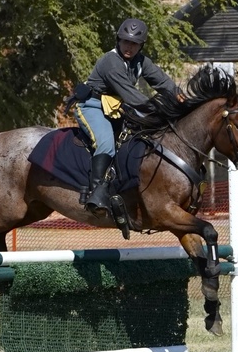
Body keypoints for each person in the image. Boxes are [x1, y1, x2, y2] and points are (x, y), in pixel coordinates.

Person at [73, 18, 179, 215]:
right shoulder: (110, 62)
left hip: (116, 108)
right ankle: (95, 195)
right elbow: (131, 95)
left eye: (134, 44)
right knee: (106, 143)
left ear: (141, 45)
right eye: (125, 41)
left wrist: (179, 95)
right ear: (118, 40)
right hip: (92, 106)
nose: (129, 47)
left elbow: (162, 81)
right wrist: (157, 109)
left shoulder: (141, 62)